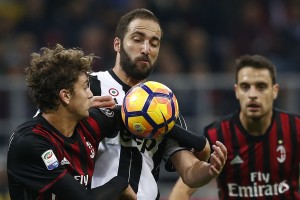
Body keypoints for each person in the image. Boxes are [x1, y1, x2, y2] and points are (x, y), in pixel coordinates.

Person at [90, 8, 227, 200]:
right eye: (138, 39)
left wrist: (209, 170)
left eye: (154, 44)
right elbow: (49, 133)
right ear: (117, 44)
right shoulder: (88, 86)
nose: (146, 49)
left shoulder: (165, 105)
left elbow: (189, 172)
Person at [6, 44, 137, 200]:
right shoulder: (31, 142)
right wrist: (121, 184)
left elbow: (138, 115)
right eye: (85, 87)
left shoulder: (89, 124)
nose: (91, 94)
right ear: (65, 96)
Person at [169, 55, 300, 200]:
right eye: (245, 87)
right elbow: (182, 191)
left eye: (261, 86)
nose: (252, 94)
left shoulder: (296, 128)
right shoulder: (218, 135)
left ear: (275, 91)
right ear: (237, 91)